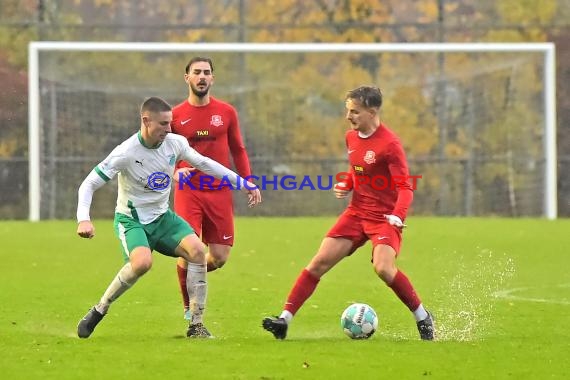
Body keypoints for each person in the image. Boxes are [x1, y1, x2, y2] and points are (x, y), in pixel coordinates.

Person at [75, 96, 261, 339]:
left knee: (196, 251)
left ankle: (196, 325)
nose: (168, 129)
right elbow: (89, 184)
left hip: (163, 218)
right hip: (132, 220)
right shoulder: (125, 152)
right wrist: (83, 219)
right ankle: (100, 308)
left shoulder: (175, 143)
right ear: (146, 121)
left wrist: (243, 183)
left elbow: (205, 164)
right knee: (142, 263)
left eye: (170, 123)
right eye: (163, 124)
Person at [261, 85, 435, 341]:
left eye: (354, 111)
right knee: (318, 262)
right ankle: (284, 320)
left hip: (385, 218)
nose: (348, 116)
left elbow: (405, 188)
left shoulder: (390, 145)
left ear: (372, 112)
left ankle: (422, 316)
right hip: (356, 213)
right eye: (348, 110)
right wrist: (349, 182)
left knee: (384, 269)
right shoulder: (351, 138)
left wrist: (398, 215)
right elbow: (359, 169)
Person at [171, 56, 254, 332]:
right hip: (189, 191)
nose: (202, 77)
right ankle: (190, 309)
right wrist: (175, 171)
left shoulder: (227, 112)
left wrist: (248, 181)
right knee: (191, 247)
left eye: (206, 72)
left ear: (213, 79)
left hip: (219, 191)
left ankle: (187, 273)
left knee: (218, 257)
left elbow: (238, 149)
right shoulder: (174, 115)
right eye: (197, 72)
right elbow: (163, 153)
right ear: (187, 78)